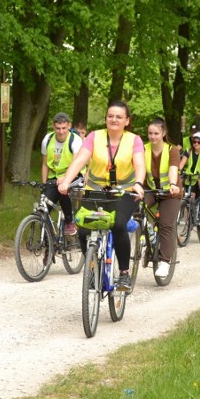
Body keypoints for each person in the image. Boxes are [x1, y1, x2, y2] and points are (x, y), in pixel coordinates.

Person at [57, 101, 146, 291]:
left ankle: (123, 274)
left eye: (119, 117)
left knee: (118, 224)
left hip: (125, 192)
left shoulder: (134, 140)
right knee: (83, 228)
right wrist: (66, 181)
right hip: (96, 190)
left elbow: (139, 164)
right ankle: (92, 266)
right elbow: (80, 159)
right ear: (106, 118)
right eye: (110, 116)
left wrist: (138, 183)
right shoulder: (94, 137)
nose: (114, 119)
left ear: (126, 121)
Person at [143, 118, 182, 278]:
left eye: (156, 133)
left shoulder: (172, 150)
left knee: (166, 225)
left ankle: (165, 261)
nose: (153, 137)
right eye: (150, 133)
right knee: (135, 209)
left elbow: (173, 169)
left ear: (163, 133)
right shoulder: (143, 149)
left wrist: (173, 184)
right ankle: (146, 234)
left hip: (170, 192)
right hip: (150, 190)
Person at [41, 112, 83, 235]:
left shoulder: (75, 140)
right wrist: (44, 183)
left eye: (64, 128)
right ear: (53, 127)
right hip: (54, 175)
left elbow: (76, 164)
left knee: (63, 190)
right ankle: (48, 241)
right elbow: (45, 164)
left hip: (75, 174)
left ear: (69, 126)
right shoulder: (47, 139)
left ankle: (70, 222)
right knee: (44, 207)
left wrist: (65, 179)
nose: (61, 132)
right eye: (58, 128)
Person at [179, 131, 200, 214]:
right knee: (189, 199)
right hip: (191, 176)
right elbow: (181, 164)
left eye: (199, 142)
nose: (196, 144)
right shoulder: (188, 151)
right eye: (194, 142)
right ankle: (188, 223)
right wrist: (177, 172)